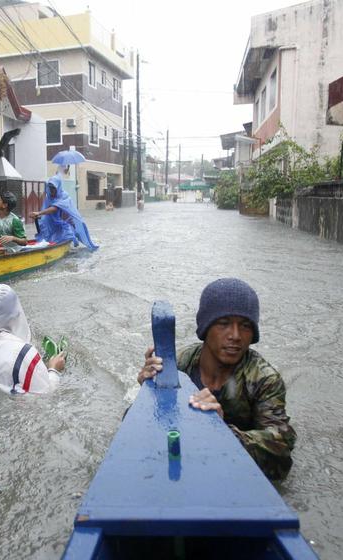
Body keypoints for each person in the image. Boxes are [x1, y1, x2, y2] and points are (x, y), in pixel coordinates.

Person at [137, 278, 296, 480]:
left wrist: (221, 430)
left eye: (246, 326)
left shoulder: (264, 379)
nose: (236, 335)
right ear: (205, 329)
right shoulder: (178, 366)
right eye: (224, 324)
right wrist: (149, 391)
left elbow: (281, 451)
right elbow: (151, 429)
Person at [30, 176, 98, 251]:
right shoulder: (49, 198)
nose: (51, 190)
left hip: (64, 226)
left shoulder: (64, 197)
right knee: (44, 235)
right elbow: (48, 215)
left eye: (53, 188)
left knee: (67, 236)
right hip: (52, 226)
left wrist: (39, 213)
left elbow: (55, 208)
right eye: (50, 188)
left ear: (58, 187)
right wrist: (37, 216)